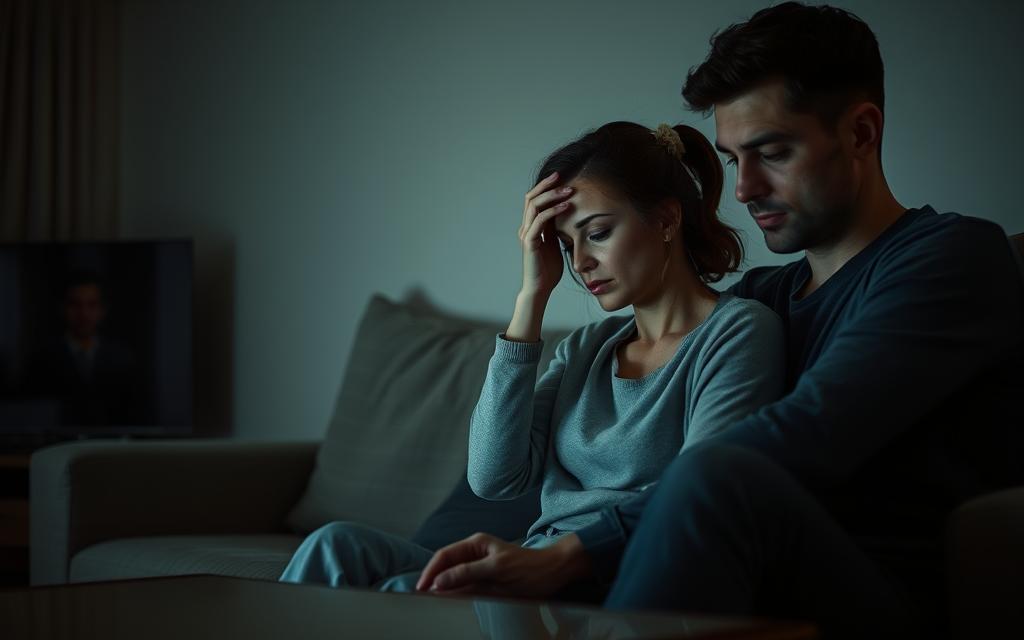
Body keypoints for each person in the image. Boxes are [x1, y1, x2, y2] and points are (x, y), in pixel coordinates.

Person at [415, 3, 1024, 638]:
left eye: (773, 152)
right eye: (735, 160)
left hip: (870, 593)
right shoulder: (764, 295)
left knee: (715, 472)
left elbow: (804, 438)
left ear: (861, 133)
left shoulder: (950, 258)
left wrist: (572, 552)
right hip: (738, 571)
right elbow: (505, 472)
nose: (743, 189)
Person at [279, 121, 785, 591]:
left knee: (400, 595)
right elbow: (494, 478)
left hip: (604, 574)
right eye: (566, 244)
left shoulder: (737, 332)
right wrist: (532, 297)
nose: (582, 262)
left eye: (598, 231)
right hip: (532, 561)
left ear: (667, 220)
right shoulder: (587, 348)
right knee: (334, 544)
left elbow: (698, 495)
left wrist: (555, 558)